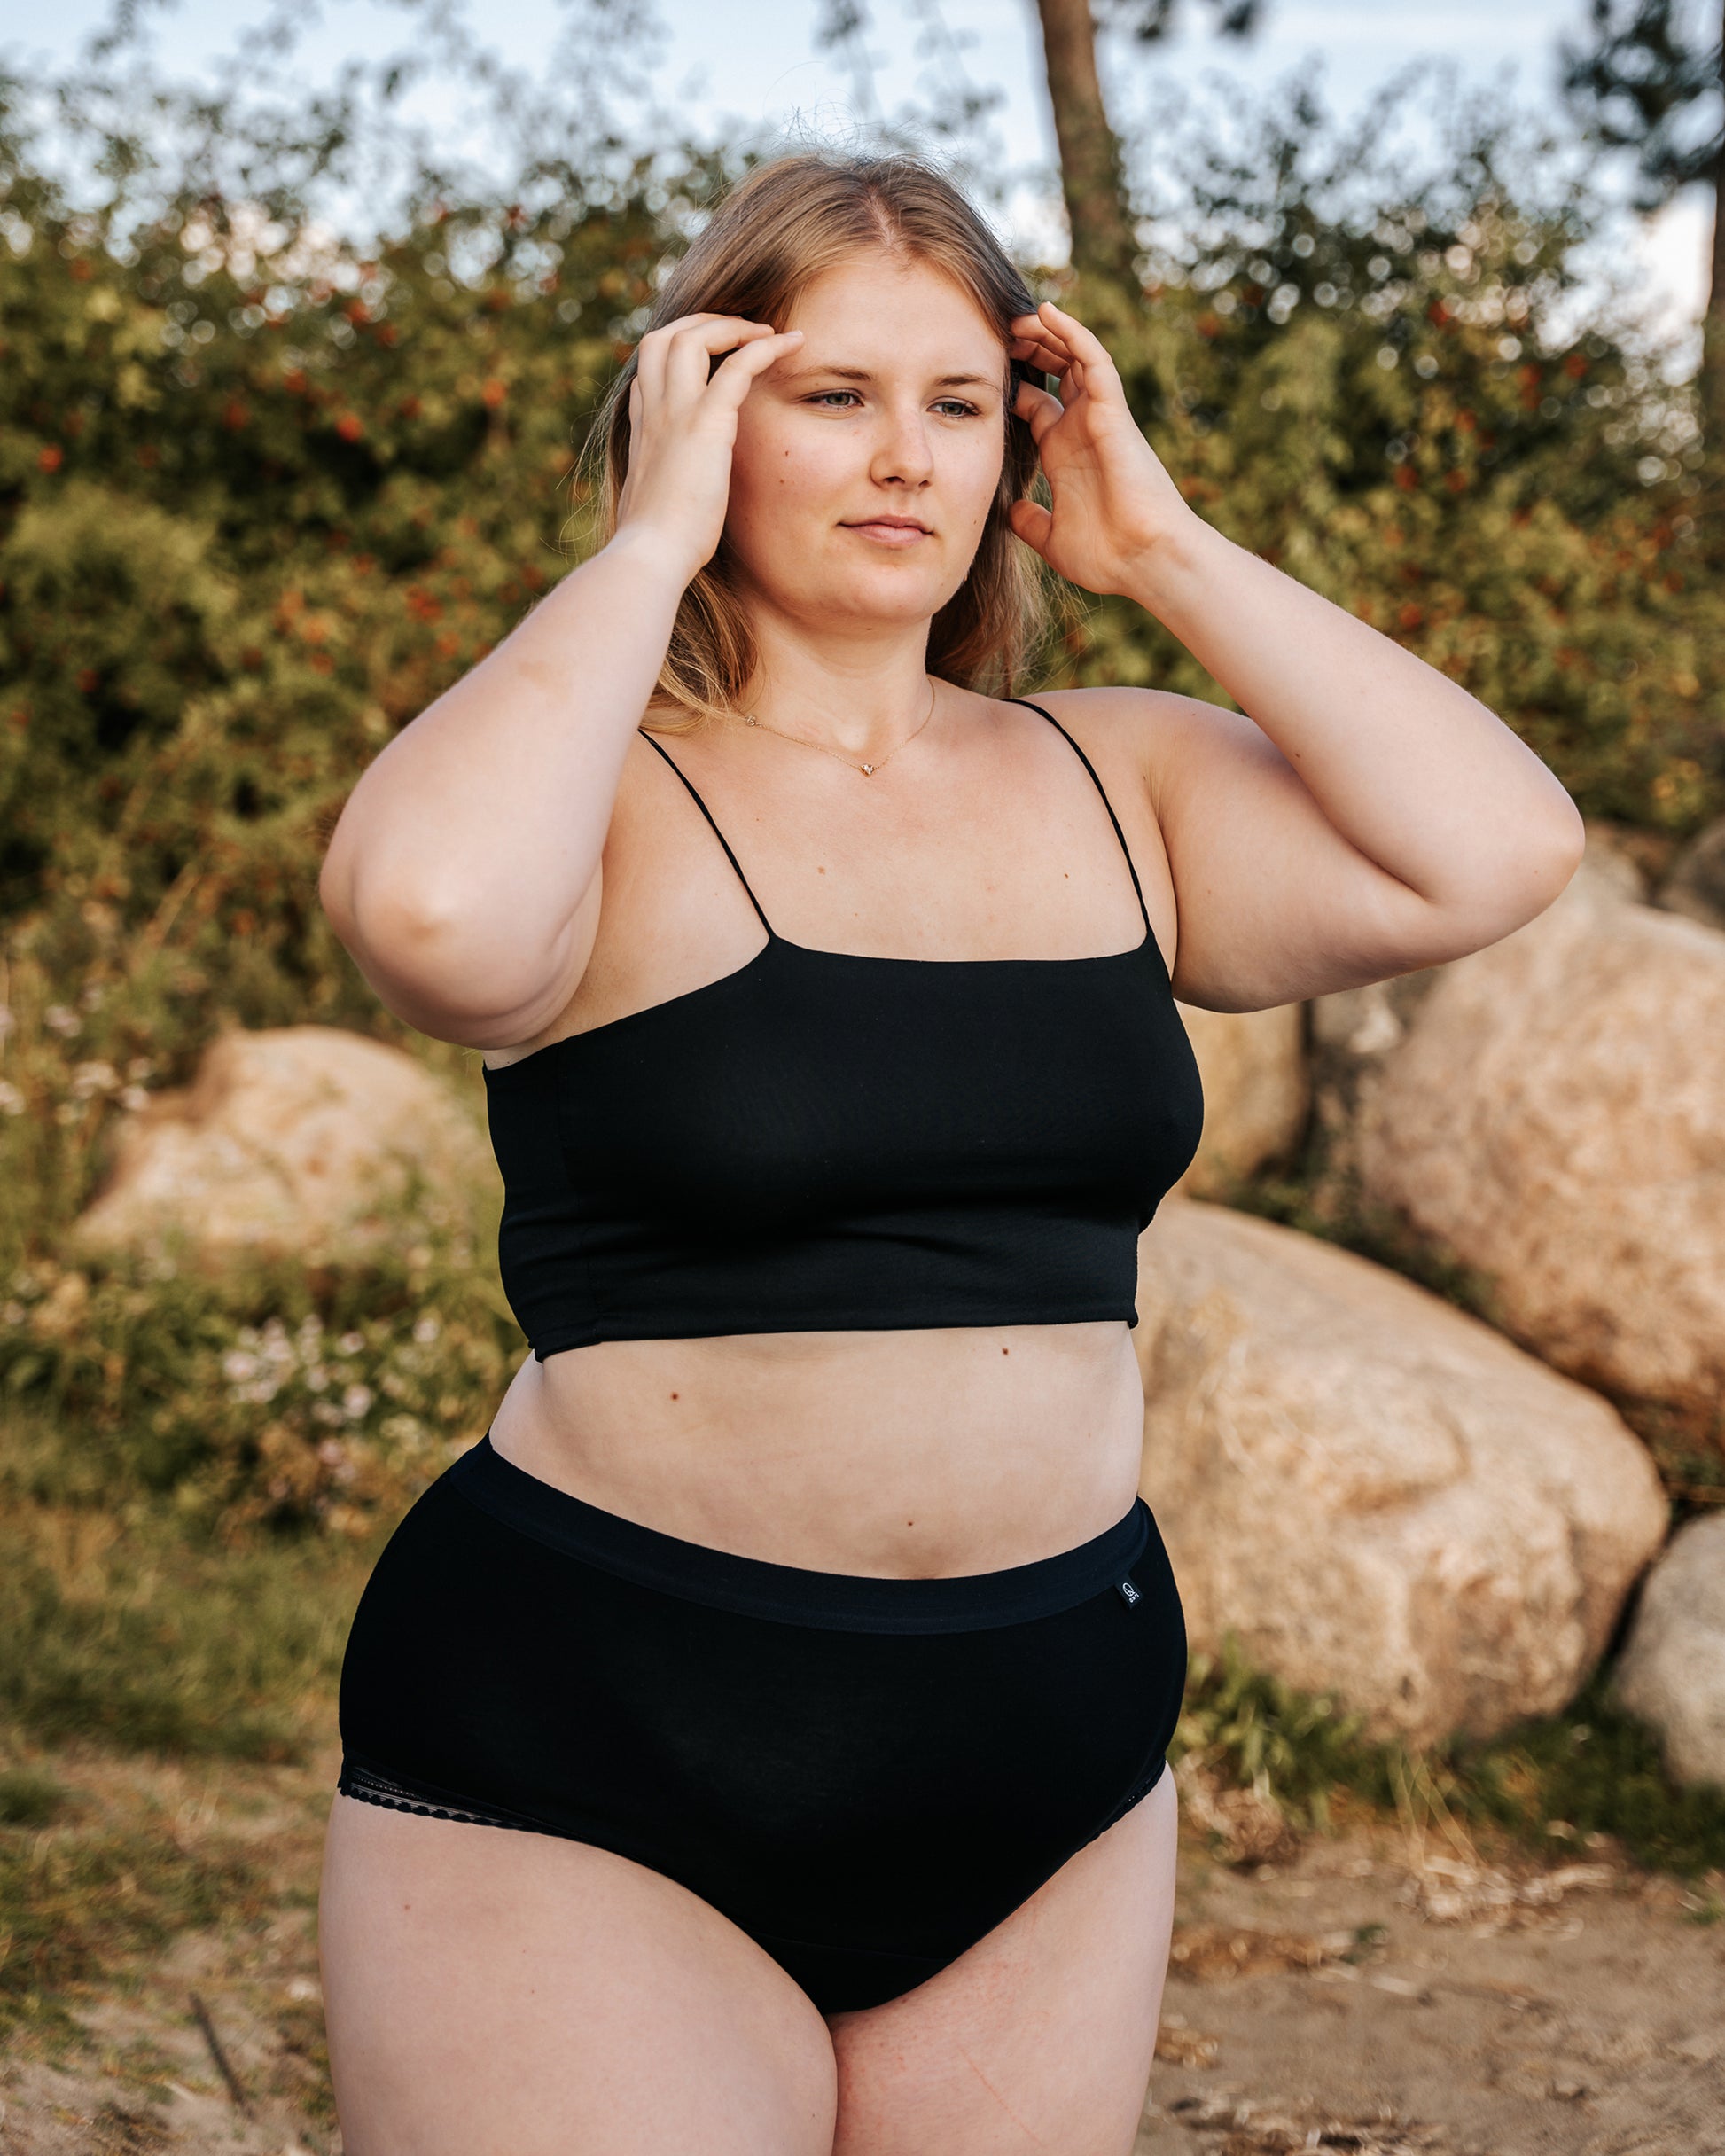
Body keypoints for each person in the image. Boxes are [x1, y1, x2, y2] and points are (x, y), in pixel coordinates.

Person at [314, 152, 1583, 2155]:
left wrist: (1158, 545)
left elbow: (1494, 847)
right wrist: (645, 548)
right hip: (601, 1739)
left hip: (1047, 1751)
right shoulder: (597, 783)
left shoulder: (1119, 771)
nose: (903, 456)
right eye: (831, 396)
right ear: (706, 405)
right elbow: (439, 924)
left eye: (960, 404)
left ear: (1022, 445)